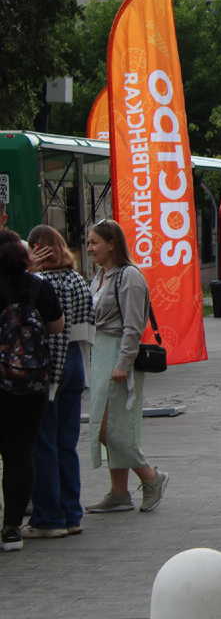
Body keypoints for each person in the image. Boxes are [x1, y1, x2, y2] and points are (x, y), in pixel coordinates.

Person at [83, 220, 168, 513]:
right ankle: (119, 492)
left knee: (111, 429)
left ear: (111, 244)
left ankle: (151, 477)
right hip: (102, 351)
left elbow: (133, 326)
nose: (89, 247)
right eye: (89, 242)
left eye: (94, 242)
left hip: (119, 353)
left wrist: (123, 362)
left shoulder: (129, 276)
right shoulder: (101, 276)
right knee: (107, 425)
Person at [24, 226, 92, 540]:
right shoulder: (78, 279)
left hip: (49, 363)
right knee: (67, 444)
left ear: (37, 248)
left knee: (44, 444)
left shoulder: (40, 282)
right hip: (76, 363)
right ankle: (72, 513)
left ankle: (48, 517)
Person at [0, 230, 64, 552]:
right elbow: (56, 326)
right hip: (31, 385)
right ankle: (12, 529)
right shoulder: (40, 286)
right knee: (21, 453)